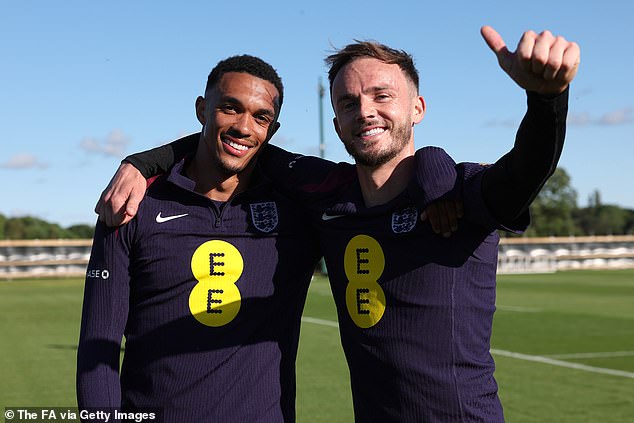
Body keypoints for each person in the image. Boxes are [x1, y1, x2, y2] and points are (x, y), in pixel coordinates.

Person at [95, 26, 580, 422]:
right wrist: (145, 161)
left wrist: (547, 100)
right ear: (337, 119)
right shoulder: (326, 196)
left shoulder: (458, 194)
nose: (364, 110)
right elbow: (236, 138)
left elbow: (524, 172)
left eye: (381, 95)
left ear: (418, 108)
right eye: (348, 103)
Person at [76, 55, 323, 422]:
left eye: (260, 117)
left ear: (272, 130)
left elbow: (377, 183)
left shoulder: (298, 212)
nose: (244, 126)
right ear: (201, 109)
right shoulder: (132, 206)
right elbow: (98, 351)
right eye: (229, 108)